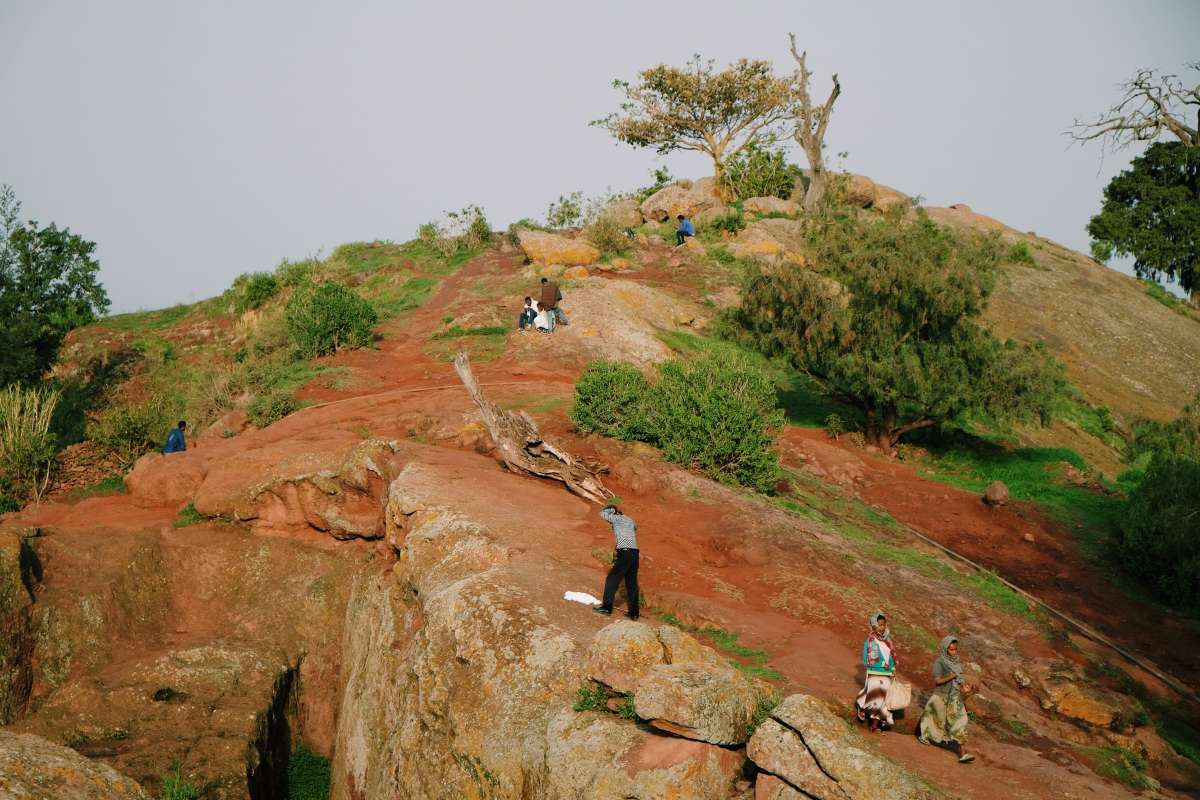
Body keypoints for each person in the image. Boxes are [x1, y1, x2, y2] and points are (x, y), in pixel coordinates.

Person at [917, 635, 976, 763]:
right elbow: (938, 680)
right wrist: (952, 676)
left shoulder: (956, 662)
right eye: (951, 649)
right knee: (934, 718)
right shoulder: (939, 662)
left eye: (955, 649)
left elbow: (959, 679)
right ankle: (924, 735)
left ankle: (962, 753)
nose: (954, 652)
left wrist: (964, 686)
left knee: (961, 720)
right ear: (945, 649)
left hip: (955, 697)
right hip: (942, 695)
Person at [593, 503, 639, 620]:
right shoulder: (629, 520)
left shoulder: (616, 518)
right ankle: (634, 613)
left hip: (625, 552)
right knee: (631, 583)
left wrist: (611, 508)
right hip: (634, 553)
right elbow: (635, 527)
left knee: (612, 579)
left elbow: (602, 514)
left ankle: (607, 607)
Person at [855, 611, 898, 731]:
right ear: (873, 625)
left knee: (882, 699)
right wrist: (875, 664)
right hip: (874, 671)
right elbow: (865, 657)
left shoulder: (888, 641)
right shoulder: (869, 641)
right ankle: (862, 708)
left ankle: (875, 725)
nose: (882, 627)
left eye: (883, 625)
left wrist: (893, 667)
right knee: (872, 692)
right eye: (879, 625)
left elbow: (890, 657)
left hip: (886, 672)